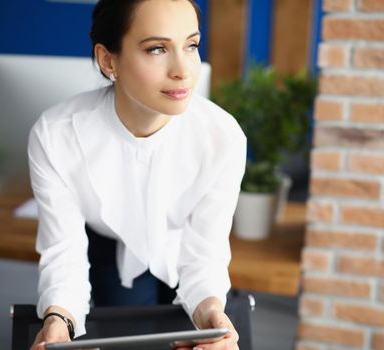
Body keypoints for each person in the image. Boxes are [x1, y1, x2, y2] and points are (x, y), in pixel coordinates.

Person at [29, 0, 246, 349]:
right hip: (109, 239)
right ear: (107, 60)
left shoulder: (222, 136)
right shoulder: (56, 135)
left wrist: (210, 311)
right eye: (157, 48)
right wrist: (60, 319)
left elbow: (206, 250)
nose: (183, 70)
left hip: (182, 237)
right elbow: (63, 250)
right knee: (125, 336)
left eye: (191, 45)